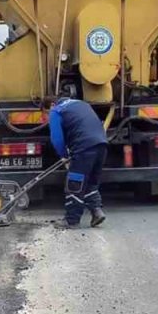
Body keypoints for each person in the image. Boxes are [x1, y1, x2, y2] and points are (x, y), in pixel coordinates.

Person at [42, 96, 108, 228]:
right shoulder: (81, 103)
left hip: (83, 148)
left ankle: (72, 220)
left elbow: (57, 139)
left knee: (74, 184)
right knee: (90, 182)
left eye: (46, 113)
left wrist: (64, 155)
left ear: (51, 105)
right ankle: (97, 212)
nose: (47, 117)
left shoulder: (56, 111)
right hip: (102, 145)